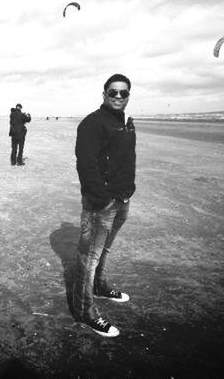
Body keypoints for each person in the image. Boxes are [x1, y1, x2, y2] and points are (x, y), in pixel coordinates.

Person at [70, 73, 136, 338]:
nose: (118, 96)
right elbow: (85, 165)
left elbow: (126, 160)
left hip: (123, 199)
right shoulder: (93, 123)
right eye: (113, 92)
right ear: (104, 94)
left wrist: (128, 191)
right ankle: (85, 312)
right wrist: (103, 200)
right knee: (89, 258)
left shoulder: (126, 123)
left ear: (128, 95)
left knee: (105, 249)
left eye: (123, 92)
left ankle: (99, 286)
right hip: (102, 203)